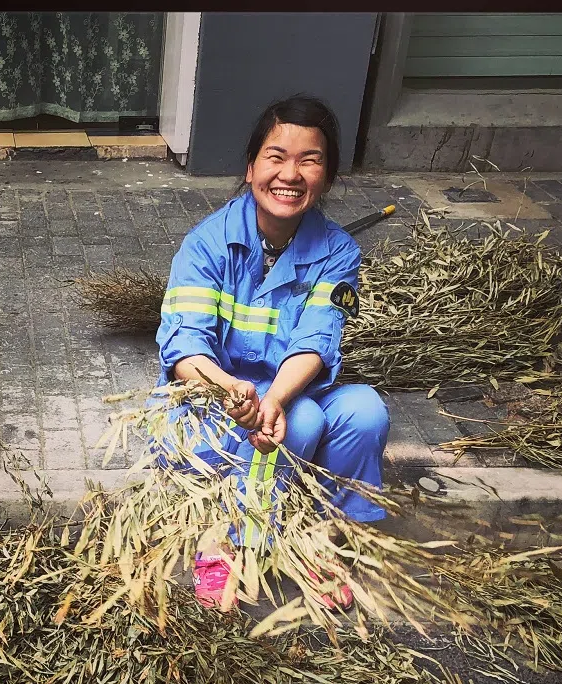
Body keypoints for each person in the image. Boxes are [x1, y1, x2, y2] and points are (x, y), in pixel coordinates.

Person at [152, 95, 390, 610]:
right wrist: (231, 388)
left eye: (310, 159)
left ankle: (321, 540)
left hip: (286, 394)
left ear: (327, 176)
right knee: (301, 422)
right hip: (208, 406)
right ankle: (224, 541)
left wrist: (275, 397)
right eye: (276, 156)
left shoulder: (338, 251)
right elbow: (184, 346)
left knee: (365, 411)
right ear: (251, 166)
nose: (291, 173)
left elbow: (318, 338)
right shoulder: (207, 244)